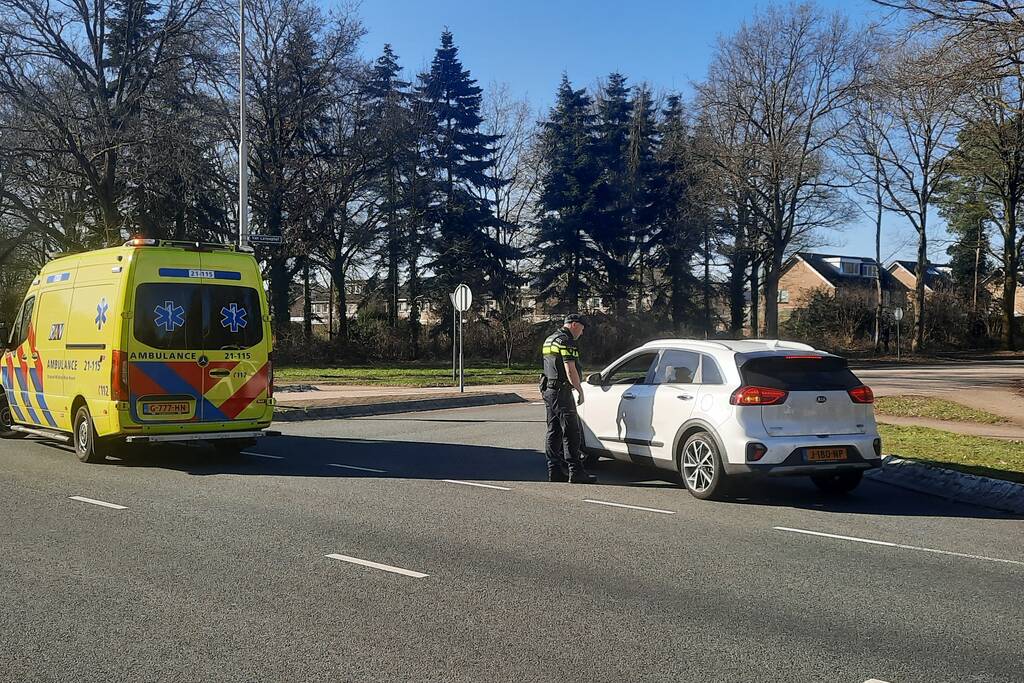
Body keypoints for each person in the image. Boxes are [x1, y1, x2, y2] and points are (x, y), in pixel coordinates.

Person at [540, 314, 597, 484]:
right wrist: (579, 389)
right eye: (581, 327)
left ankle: (554, 471)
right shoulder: (566, 341)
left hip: (549, 390)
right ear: (573, 325)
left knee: (554, 431)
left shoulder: (550, 339)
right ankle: (576, 472)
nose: (583, 332)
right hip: (562, 391)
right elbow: (570, 369)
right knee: (571, 432)